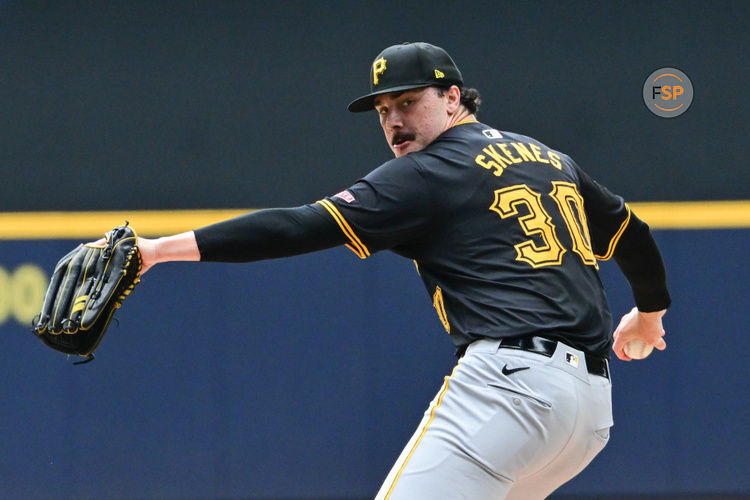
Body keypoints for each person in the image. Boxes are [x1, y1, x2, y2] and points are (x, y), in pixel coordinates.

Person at [134, 42, 670, 499]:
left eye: (409, 102)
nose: (394, 121)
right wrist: (649, 317)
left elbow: (298, 227)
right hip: (589, 414)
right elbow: (633, 235)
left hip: (510, 391)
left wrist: (157, 250)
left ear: (453, 98)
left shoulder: (426, 171)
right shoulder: (547, 157)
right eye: (383, 109)